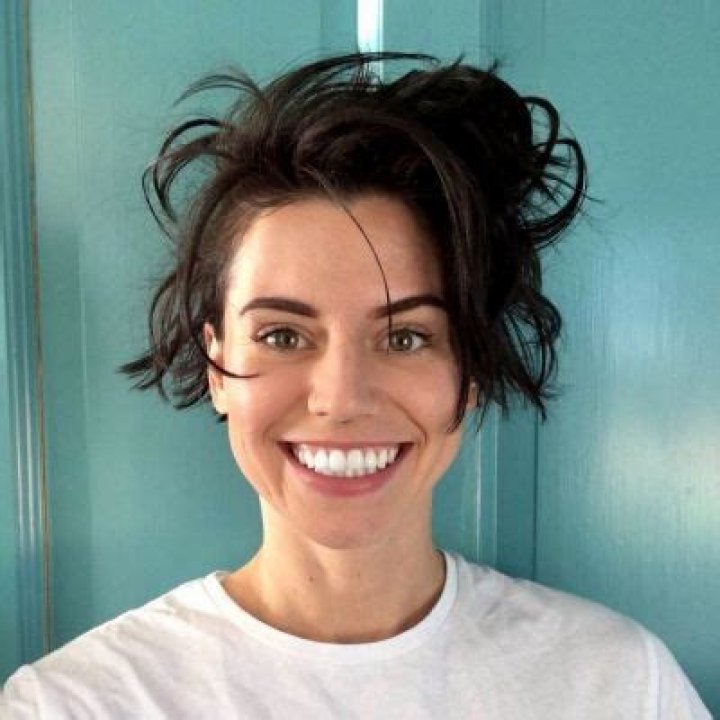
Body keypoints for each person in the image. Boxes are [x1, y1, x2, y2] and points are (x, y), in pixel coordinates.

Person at [1, 52, 710, 719]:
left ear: (470, 372)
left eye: (405, 338)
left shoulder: (618, 685)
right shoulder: (71, 706)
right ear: (216, 367)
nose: (341, 399)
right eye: (283, 336)